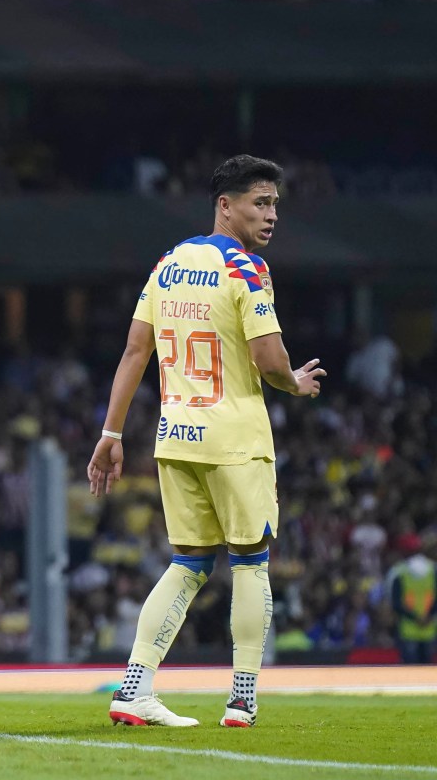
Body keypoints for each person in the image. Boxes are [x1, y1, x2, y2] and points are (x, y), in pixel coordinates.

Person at [87, 155, 326, 728]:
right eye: (260, 203)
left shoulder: (168, 264)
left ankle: (134, 688)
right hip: (236, 440)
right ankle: (242, 699)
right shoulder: (248, 268)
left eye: (275, 205)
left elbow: (134, 352)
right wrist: (292, 382)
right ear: (226, 205)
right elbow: (269, 359)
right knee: (251, 564)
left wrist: (110, 433)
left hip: (177, 437)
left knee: (188, 563)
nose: (271, 216)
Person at [387, 534, 435, 665]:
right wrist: (429, 615)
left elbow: (395, 603)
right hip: (429, 626)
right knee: (427, 669)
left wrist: (415, 617)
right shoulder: (433, 569)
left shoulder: (398, 572)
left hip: (407, 628)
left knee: (409, 669)